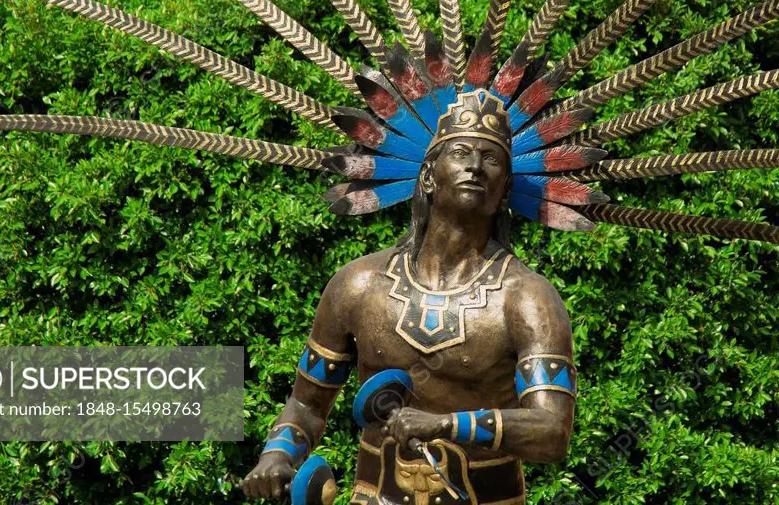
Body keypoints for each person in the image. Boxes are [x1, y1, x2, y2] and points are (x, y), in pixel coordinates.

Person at [240, 90, 577, 503]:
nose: (474, 166)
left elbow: (552, 432)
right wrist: (276, 456)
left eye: (490, 159)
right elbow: (307, 405)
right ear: (429, 176)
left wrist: (445, 426)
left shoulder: (527, 299)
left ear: (504, 188)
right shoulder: (358, 285)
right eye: (460, 152)